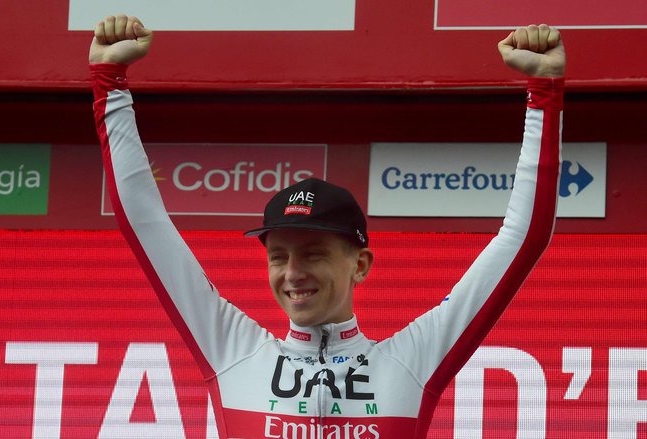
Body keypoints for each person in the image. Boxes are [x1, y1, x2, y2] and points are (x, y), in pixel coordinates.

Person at [90, 15, 565, 438]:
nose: (293, 272)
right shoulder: (230, 349)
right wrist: (109, 82)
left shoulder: (412, 362)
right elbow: (145, 222)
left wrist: (544, 92)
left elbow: (521, 238)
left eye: (313, 252)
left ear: (360, 264)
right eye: (279, 255)